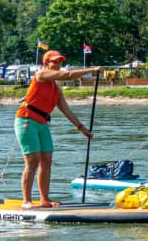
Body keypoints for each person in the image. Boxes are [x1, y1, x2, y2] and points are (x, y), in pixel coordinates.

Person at [14, 50, 100, 209]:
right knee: (33, 162)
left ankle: (44, 199)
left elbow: (66, 110)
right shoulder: (41, 75)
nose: (58, 64)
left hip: (42, 123)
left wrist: (81, 128)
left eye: (60, 62)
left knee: (47, 162)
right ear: (47, 63)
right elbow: (67, 75)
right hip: (26, 120)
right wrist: (92, 70)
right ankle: (26, 201)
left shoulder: (56, 89)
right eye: (54, 62)